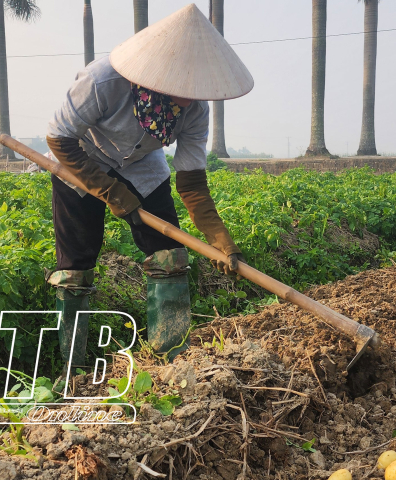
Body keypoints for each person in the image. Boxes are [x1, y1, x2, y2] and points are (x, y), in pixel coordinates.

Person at [45, 4, 254, 364]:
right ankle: (73, 366)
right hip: (82, 158)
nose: (188, 97)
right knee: (74, 270)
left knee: (169, 256)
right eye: (181, 87)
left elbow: (192, 184)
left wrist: (221, 240)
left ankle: (170, 355)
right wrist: (109, 190)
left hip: (143, 165)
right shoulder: (102, 81)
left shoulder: (194, 112)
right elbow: (60, 138)